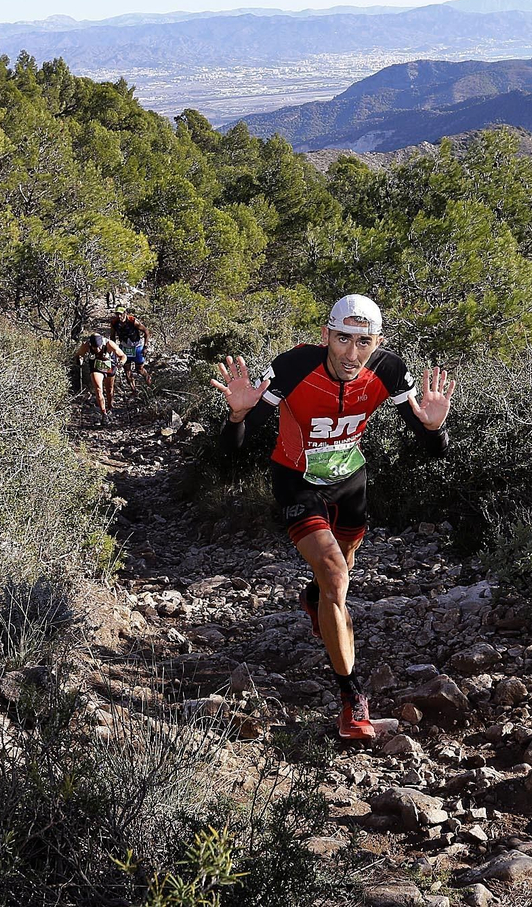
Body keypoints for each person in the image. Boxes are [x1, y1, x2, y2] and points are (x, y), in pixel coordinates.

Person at [211, 294, 455, 740]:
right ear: (326, 335)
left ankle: (312, 599)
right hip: (297, 479)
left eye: (363, 342)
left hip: (350, 481)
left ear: (378, 341)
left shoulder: (388, 369)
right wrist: (238, 416)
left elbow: (430, 449)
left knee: (338, 573)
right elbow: (232, 451)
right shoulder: (294, 367)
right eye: (342, 339)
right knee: (336, 577)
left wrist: (435, 429)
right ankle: (352, 702)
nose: (351, 353)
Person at [76, 332, 128, 423]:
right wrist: (79, 359)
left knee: (109, 389)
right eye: (94, 347)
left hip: (110, 366)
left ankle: (110, 407)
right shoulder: (86, 345)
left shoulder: (109, 344)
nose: (97, 349)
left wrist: (121, 363)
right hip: (96, 367)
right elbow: (79, 354)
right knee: (98, 389)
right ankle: (104, 413)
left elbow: (123, 356)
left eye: (99, 347)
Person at [111, 305, 153, 389]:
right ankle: (134, 391)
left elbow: (146, 331)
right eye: (117, 314)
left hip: (137, 347)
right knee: (127, 370)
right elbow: (112, 336)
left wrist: (145, 346)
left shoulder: (132, 321)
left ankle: (151, 386)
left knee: (139, 369)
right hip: (124, 348)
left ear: (125, 313)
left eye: (121, 314)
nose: (119, 316)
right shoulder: (114, 323)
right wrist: (114, 349)